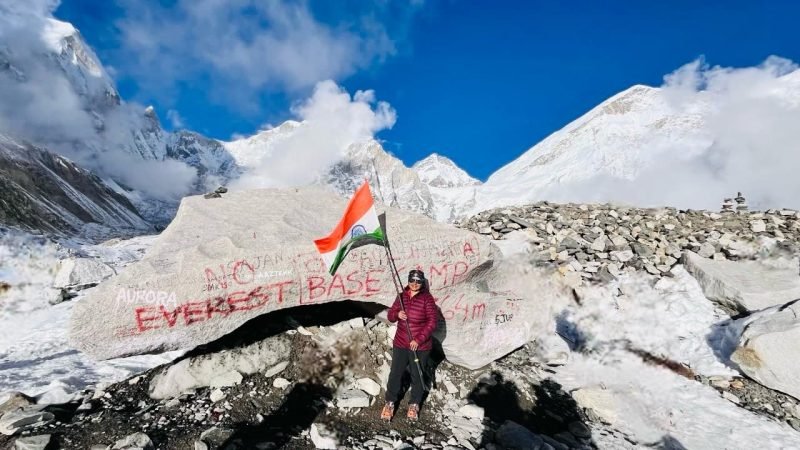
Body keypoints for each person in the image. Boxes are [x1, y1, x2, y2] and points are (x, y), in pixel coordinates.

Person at [381, 269, 438, 422]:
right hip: (400, 343)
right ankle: (390, 402)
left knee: (417, 375)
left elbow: (432, 322)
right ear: (408, 281)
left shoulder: (427, 299)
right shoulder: (401, 297)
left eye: (418, 281)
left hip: (419, 347)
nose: (414, 284)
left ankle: (414, 404)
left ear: (422, 282)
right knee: (395, 374)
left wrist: (418, 340)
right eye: (412, 280)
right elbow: (390, 315)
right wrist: (397, 314)